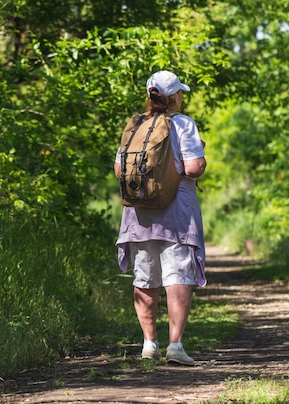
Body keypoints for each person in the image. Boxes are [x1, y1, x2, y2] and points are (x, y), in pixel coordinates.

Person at [114, 70, 207, 366]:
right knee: (177, 275)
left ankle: (148, 344)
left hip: (139, 214)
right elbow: (193, 168)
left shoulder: (135, 125)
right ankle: (175, 346)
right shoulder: (183, 124)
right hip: (176, 213)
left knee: (145, 276)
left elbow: (119, 171)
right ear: (175, 97)